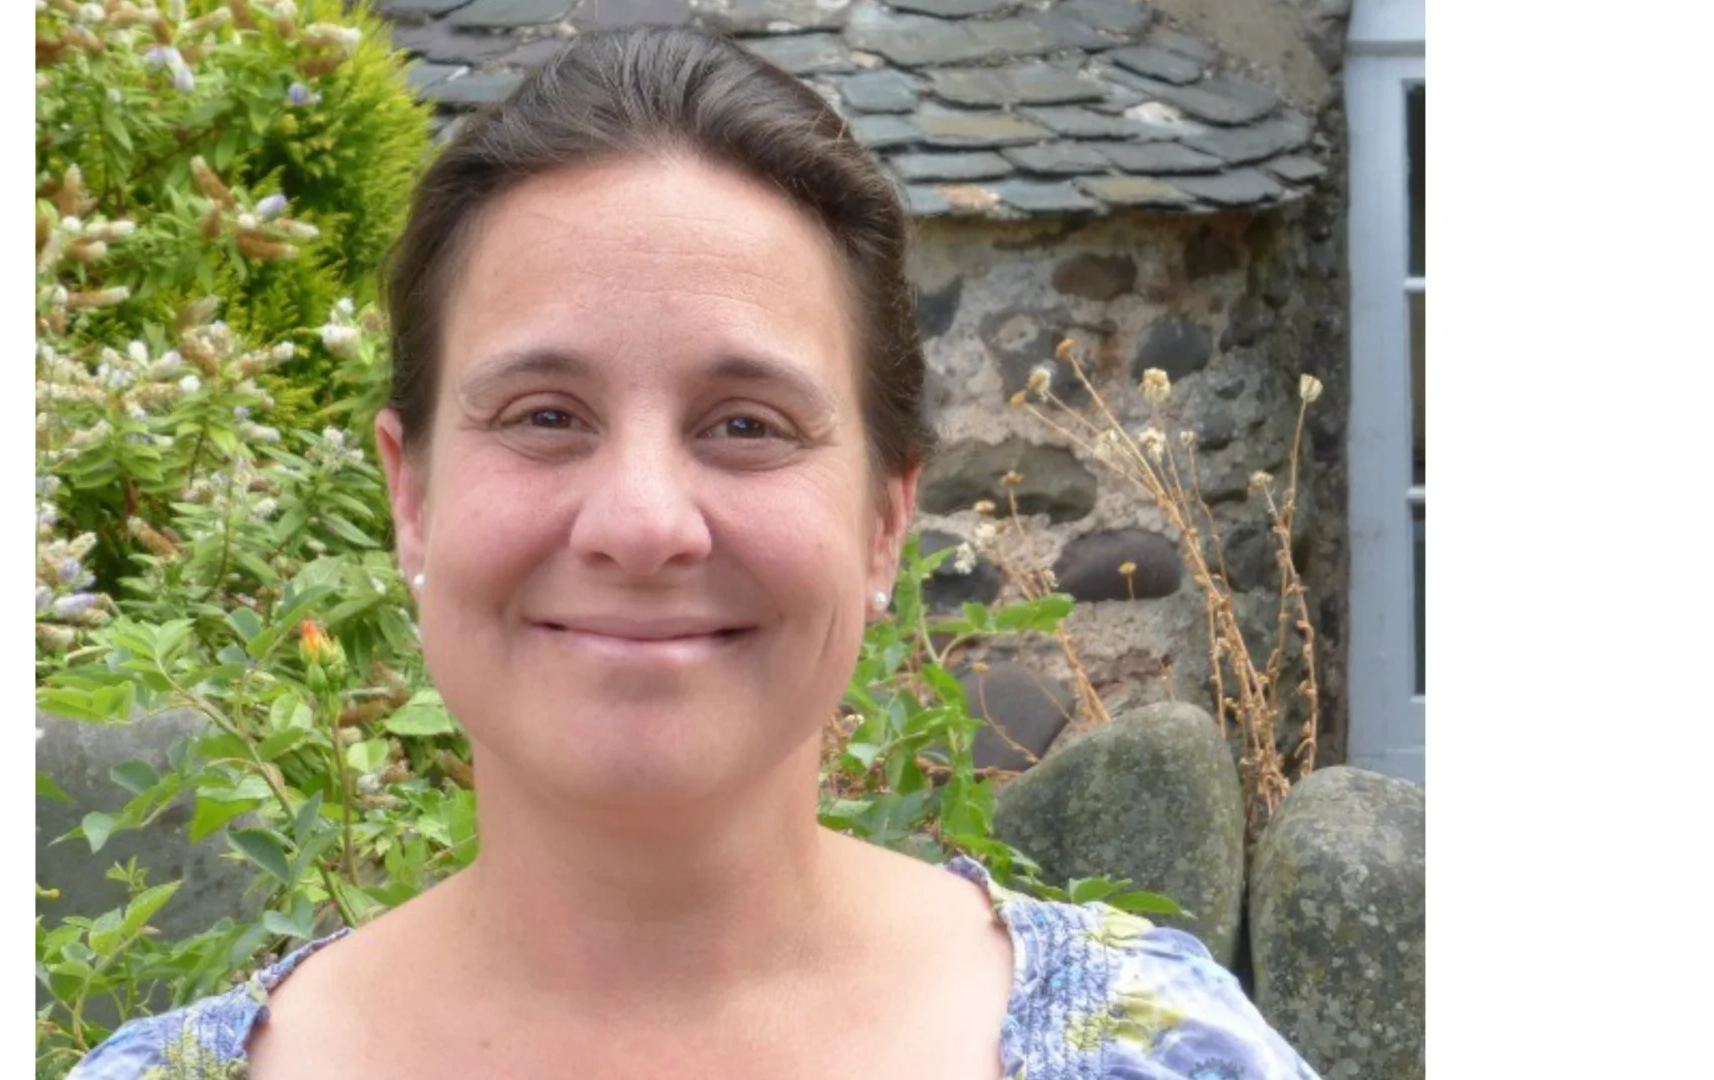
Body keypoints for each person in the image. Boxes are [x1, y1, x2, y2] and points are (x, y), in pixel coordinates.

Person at [70, 25, 1321, 1080]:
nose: (642, 523)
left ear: (885, 520)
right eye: (545, 417)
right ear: (412, 497)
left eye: (746, 425)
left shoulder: (1168, 1055)